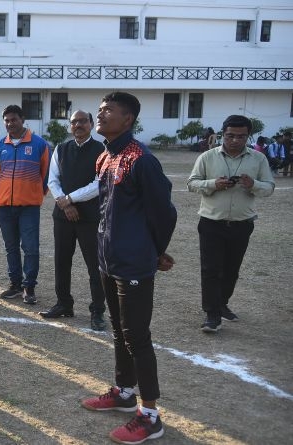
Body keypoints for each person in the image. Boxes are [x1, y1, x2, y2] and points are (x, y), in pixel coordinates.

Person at [81, 92, 176, 445]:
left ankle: (150, 416)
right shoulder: (105, 156)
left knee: (137, 335)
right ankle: (123, 392)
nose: (100, 115)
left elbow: (164, 212)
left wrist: (155, 250)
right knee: (120, 332)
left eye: (108, 111)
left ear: (128, 119)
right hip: (109, 259)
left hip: (134, 262)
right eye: (100, 110)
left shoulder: (142, 160)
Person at [187, 115, 275, 333]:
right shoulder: (208, 157)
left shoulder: (258, 159)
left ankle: (222, 303)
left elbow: (269, 187)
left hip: (242, 224)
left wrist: (253, 184)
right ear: (222, 134)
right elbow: (192, 183)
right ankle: (212, 314)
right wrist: (213, 184)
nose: (235, 140)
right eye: (230, 136)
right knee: (210, 270)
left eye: (241, 136)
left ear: (248, 136)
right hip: (211, 223)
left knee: (231, 269)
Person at [40, 110, 107, 330]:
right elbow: (52, 180)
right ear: (70, 126)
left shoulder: (102, 150)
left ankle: (97, 311)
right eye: (74, 122)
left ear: (90, 124)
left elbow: (99, 184)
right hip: (63, 217)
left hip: (90, 217)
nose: (78, 125)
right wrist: (65, 203)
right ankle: (64, 304)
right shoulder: (61, 148)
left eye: (82, 121)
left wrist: (69, 199)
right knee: (61, 262)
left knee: (94, 266)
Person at [0, 104, 51, 304]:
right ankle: (15, 285)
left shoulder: (39, 144)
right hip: (5, 206)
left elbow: (45, 175)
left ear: (22, 119)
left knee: (31, 247)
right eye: (7, 120)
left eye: (14, 119)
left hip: (29, 206)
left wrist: (34, 193)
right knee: (11, 247)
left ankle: (29, 286)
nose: (10, 123)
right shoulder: (0, 146)